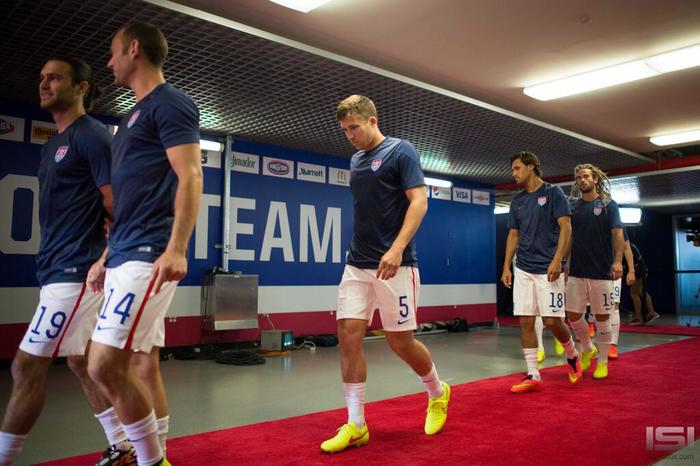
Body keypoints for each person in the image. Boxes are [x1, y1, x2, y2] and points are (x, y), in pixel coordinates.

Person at [0, 57, 137, 466]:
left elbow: (121, 207)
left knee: (26, 365)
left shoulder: (92, 137)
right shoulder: (51, 145)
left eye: (54, 78)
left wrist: (104, 260)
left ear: (81, 87)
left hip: (77, 272)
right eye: (41, 78)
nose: (44, 84)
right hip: (55, 269)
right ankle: (124, 446)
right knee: (80, 361)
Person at [86, 23, 202, 466]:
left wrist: (177, 247)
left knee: (101, 365)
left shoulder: (170, 103)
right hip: (125, 253)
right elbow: (130, 200)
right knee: (141, 364)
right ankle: (158, 454)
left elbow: (190, 175)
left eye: (113, 52)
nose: (108, 62)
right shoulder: (129, 118)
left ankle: (150, 461)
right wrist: (105, 255)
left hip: (150, 254)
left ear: (135, 49)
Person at [320, 95, 449, 453]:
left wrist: (396, 248)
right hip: (356, 263)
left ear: (373, 121)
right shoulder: (356, 159)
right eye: (345, 130)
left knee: (399, 342)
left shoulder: (400, 151)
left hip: (396, 264)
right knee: (348, 335)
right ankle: (356, 424)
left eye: (354, 128)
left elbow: (419, 201)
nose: (350, 135)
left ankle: (438, 393)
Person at [501, 151, 581, 394]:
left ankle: (572, 354)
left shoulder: (553, 193)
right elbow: (513, 235)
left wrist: (559, 260)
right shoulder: (517, 201)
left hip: (549, 268)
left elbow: (566, 227)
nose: (513, 173)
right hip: (523, 267)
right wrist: (506, 266)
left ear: (531, 167)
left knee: (551, 321)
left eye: (517, 168)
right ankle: (533, 374)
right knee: (526, 320)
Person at [565, 164, 624, 380]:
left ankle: (602, 362)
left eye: (586, 176)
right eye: (579, 177)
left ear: (595, 179)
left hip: (601, 271)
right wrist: (563, 262)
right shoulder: (574, 207)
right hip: (577, 271)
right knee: (572, 316)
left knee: (602, 318)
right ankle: (588, 347)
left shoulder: (609, 205)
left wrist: (618, 261)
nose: (582, 180)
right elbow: (569, 237)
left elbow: (617, 234)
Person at [608, 228, 636, 360]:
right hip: (593, 270)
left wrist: (631, 270)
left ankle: (613, 344)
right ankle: (590, 321)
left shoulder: (617, 224)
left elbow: (627, 248)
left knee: (614, 306)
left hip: (614, 271)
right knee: (594, 308)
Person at [628, 242, 660, 325]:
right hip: (640, 270)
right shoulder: (629, 244)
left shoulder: (627, 246)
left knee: (634, 293)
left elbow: (630, 260)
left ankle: (639, 317)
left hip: (639, 271)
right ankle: (652, 313)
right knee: (641, 292)